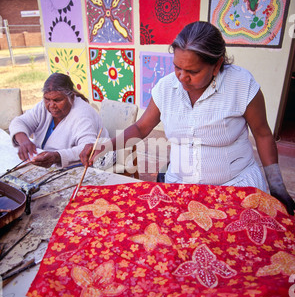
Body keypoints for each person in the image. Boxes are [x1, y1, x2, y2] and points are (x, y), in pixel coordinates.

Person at [80, 21, 295, 215]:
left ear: (217, 65)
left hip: (235, 187)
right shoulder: (166, 88)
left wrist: (276, 185)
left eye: (192, 70)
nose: (182, 77)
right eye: (177, 67)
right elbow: (141, 128)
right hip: (180, 185)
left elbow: (263, 134)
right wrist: (105, 147)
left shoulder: (241, 84)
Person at [9, 73, 114, 170]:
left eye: (57, 100)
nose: (51, 105)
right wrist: (24, 141)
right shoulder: (43, 106)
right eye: (47, 99)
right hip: (50, 166)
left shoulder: (82, 114)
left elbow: (87, 148)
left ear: (71, 97)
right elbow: (19, 122)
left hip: (88, 165)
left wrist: (57, 156)